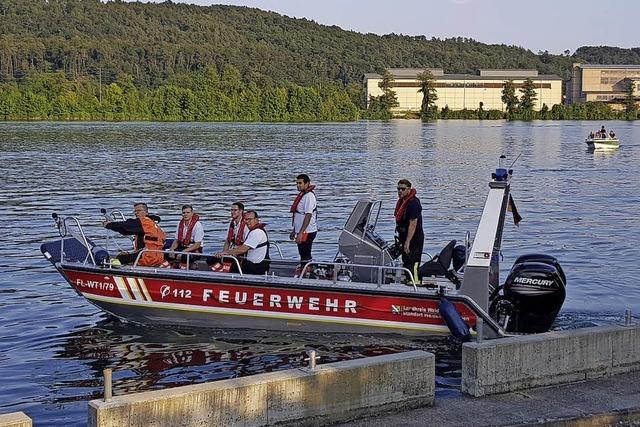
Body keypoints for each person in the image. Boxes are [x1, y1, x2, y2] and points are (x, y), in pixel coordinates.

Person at [104, 202, 166, 267]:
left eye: (139, 211)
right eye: (135, 211)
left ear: (146, 212)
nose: (136, 213)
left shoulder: (145, 222)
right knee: (124, 254)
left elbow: (127, 225)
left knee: (120, 258)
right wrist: (112, 226)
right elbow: (126, 231)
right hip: (156, 257)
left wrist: (109, 225)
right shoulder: (152, 224)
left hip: (147, 258)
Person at [214, 210, 270, 275]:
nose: (247, 222)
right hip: (252, 263)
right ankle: (223, 274)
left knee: (213, 260)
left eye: (250, 219)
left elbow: (243, 249)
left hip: (256, 267)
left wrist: (224, 253)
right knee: (233, 265)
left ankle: (222, 276)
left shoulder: (257, 232)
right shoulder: (255, 230)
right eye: (246, 219)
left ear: (257, 220)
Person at [394, 179, 424, 282]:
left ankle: (415, 282)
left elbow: (413, 223)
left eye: (403, 189)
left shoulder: (413, 203)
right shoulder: (402, 202)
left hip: (414, 238)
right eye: (398, 189)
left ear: (409, 189)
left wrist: (408, 242)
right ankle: (408, 280)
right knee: (406, 260)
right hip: (404, 236)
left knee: (413, 262)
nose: (400, 191)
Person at [289, 173, 318, 264]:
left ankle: (307, 271)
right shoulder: (302, 195)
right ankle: (303, 268)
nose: (298, 185)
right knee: (302, 253)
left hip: (307, 231)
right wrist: (295, 230)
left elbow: (308, 215)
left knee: (305, 253)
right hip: (300, 230)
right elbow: (298, 216)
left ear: (307, 183)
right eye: (297, 183)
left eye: (300, 183)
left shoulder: (309, 196)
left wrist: (301, 233)